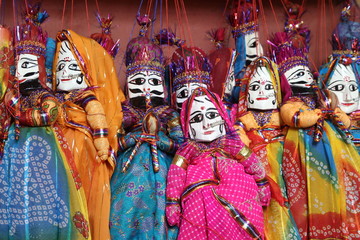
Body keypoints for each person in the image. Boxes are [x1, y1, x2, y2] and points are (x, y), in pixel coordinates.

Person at [0, 4, 90, 239]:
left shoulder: (42, 95)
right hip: (15, 151)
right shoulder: (13, 94)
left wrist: (18, 113)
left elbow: (50, 114)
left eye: (28, 65)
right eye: (17, 66)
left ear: (40, 69)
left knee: (44, 204)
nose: (21, 72)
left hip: (44, 152)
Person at [271, 32, 360, 239]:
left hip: (335, 153)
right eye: (296, 76)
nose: (304, 78)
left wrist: (337, 115)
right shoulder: (291, 104)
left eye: (306, 73)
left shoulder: (321, 99)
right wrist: (318, 114)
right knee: (309, 193)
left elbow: (344, 122)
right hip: (305, 152)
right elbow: (295, 118)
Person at [110, 15, 183, 240]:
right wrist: (133, 139)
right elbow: (112, 144)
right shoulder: (121, 112)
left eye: (153, 83)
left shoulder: (169, 113)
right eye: (139, 82)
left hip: (163, 173)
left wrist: (159, 141)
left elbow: (181, 145)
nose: (147, 90)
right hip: (127, 173)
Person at [166, 87, 270, 240]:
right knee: (195, 209)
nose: (206, 124)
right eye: (196, 119)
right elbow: (176, 174)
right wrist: (172, 202)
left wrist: (262, 183)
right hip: (198, 194)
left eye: (212, 115)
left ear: (223, 118)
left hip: (238, 186)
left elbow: (252, 163)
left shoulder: (231, 143)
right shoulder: (188, 150)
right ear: (186, 126)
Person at [53, 28, 124, 240]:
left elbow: (98, 120)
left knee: (84, 203)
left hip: (86, 155)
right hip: (59, 156)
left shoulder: (88, 99)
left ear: (90, 71)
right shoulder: (55, 100)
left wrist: (102, 144)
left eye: (73, 66)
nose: (65, 72)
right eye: (60, 66)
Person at [236, 56, 301, 239]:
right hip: (256, 165)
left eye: (268, 87)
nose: (261, 92)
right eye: (255, 88)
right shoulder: (246, 119)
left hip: (284, 163)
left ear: (277, 93)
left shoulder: (283, 116)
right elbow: (238, 137)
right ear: (246, 95)